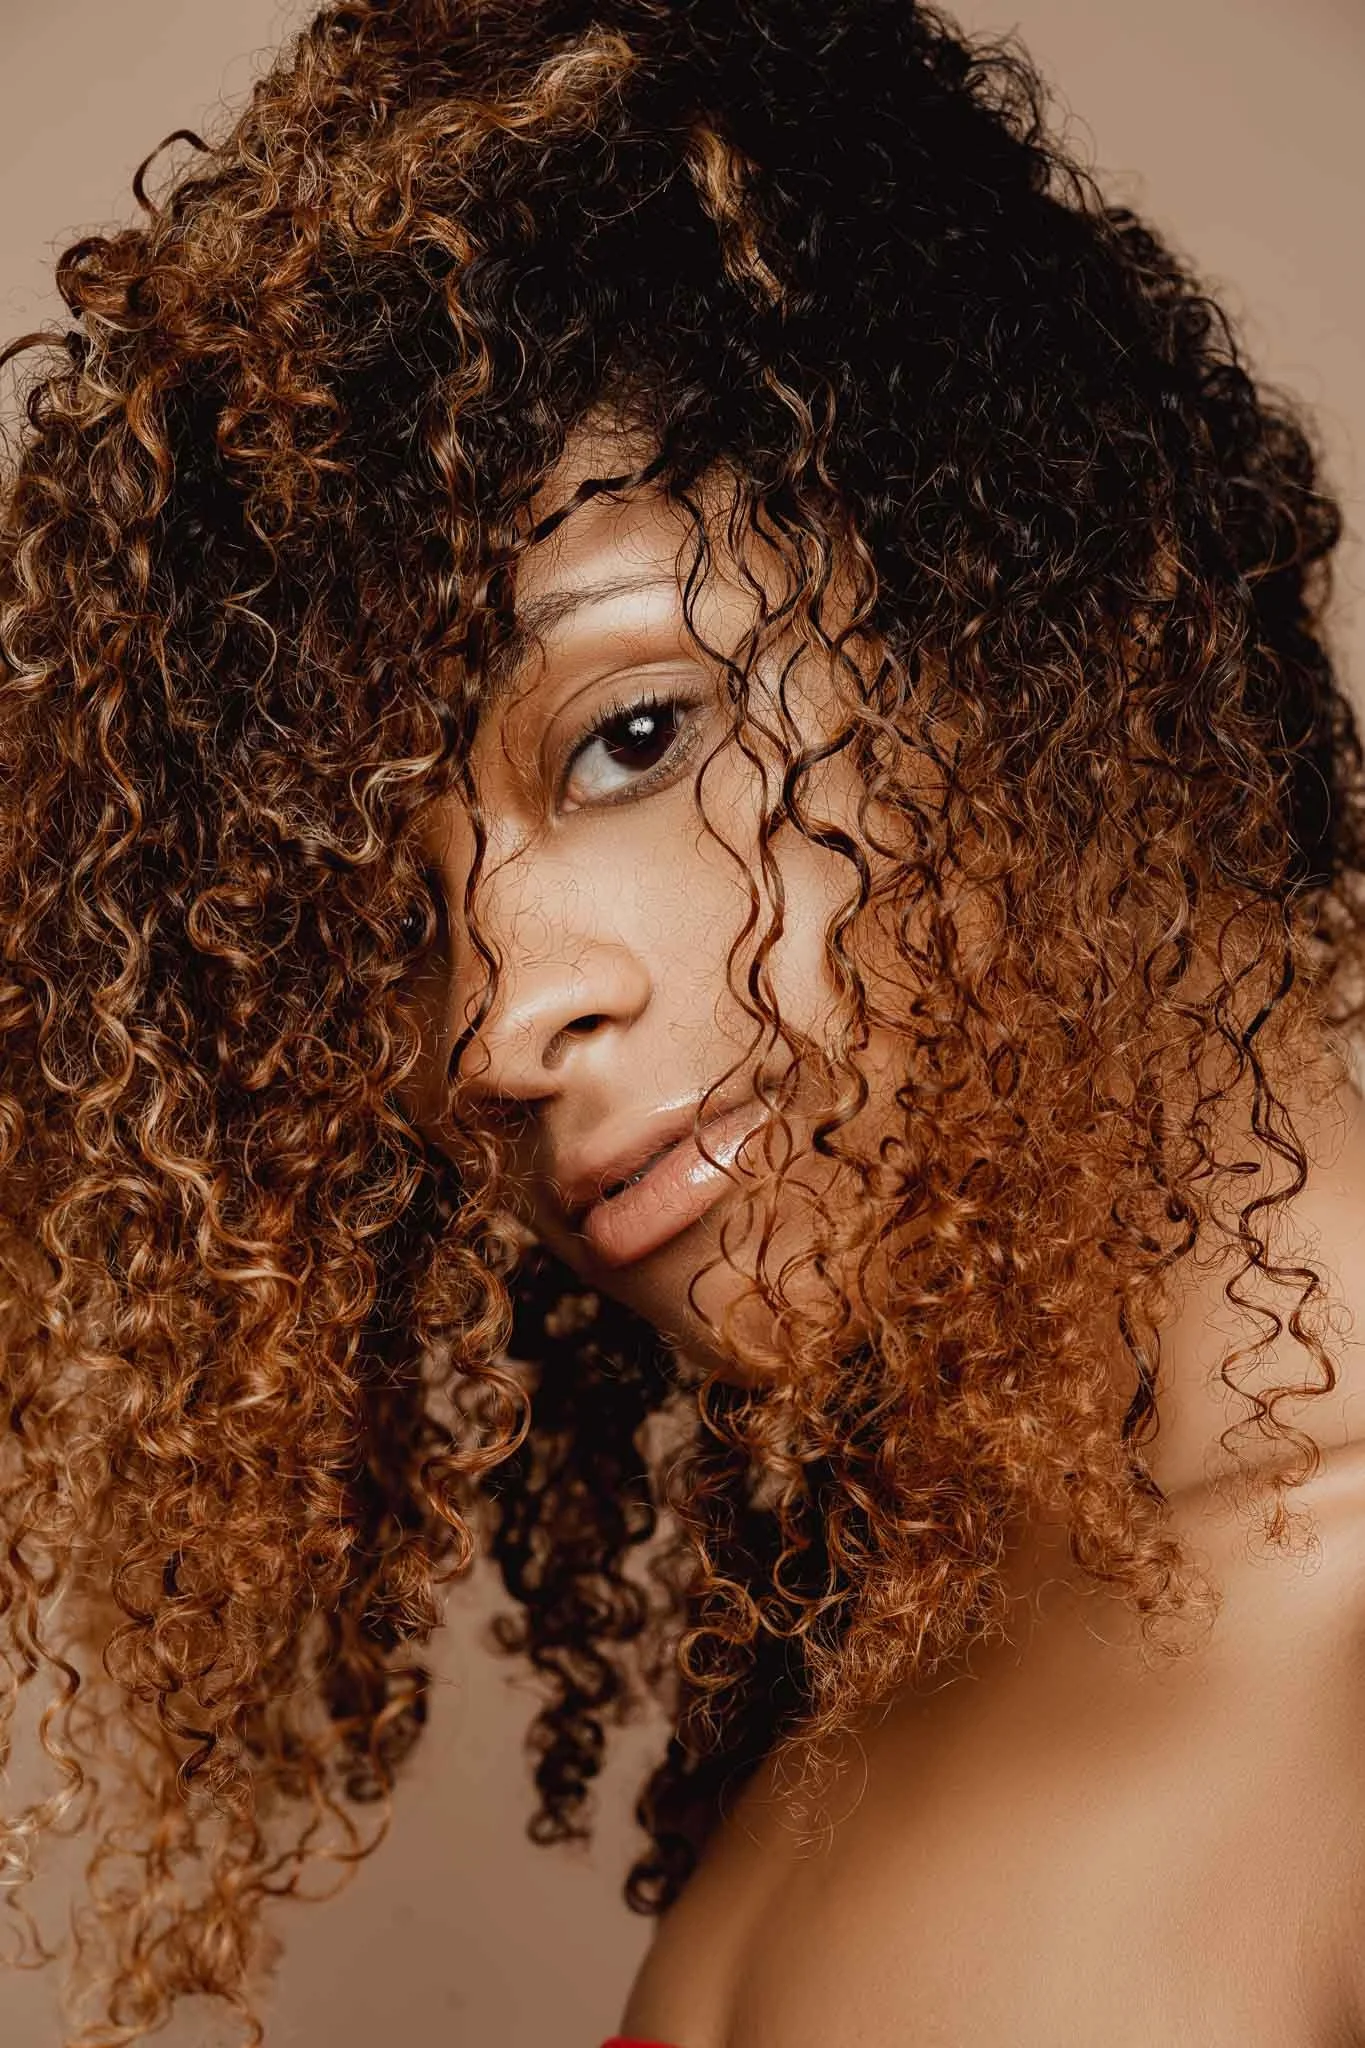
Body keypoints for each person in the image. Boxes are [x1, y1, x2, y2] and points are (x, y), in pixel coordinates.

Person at [1, 1, 1363, 2042]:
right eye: (392, 935)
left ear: (1020, 602)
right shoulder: (904, 1639)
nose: (489, 1029)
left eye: (631, 736)